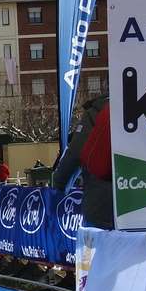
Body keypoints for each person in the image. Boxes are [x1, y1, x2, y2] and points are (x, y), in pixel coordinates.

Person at [51, 95, 113, 230]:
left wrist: (60, 184)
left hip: (102, 202)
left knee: (96, 248)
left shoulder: (97, 112)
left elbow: (76, 153)